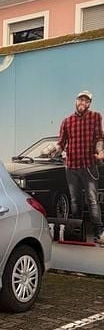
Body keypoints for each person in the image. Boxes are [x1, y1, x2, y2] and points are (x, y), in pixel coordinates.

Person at [53, 90, 104, 245]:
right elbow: (61, 143)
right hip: (72, 167)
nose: (83, 102)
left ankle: (99, 234)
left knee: (92, 200)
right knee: (75, 201)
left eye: (86, 101)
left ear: (89, 104)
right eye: (81, 99)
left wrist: (100, 151)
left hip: (89, 166)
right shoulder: (67, 121)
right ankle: (77, 233)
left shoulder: (95, 117)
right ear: (76, 101)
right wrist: (55, 150)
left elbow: (99, 138)